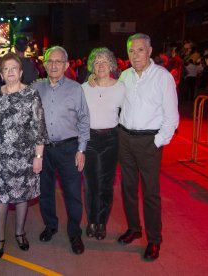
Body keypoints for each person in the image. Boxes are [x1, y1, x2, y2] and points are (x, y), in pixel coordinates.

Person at [117, 33, 179, 261]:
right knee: (128, 188)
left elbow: (172, 118)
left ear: (150, 51)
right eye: (131, 51)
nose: (135, 55)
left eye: (140, 50)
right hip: (125, 138)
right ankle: (134, 228)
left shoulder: (162, 78)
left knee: (151, 194)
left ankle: (154, 240)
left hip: (149, 141)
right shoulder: (124, 76)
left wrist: (156, 142)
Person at [0, 52, 48, 259]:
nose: (10, 72)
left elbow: (39, 127)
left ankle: (20, 232)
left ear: (20, 72)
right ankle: (0, 236)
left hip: (23, 156)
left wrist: (38, 157)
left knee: (22, 197)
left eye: (14, 68)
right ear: (1, 73)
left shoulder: (31, 94)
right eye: (6, 69)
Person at [32, 46, 90, 255]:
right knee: (45, 192)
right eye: (50, 61)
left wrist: (81, 149)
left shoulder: (76, 89)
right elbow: (14, 95)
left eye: (58, 61)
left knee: (73, 195)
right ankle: (51, 226)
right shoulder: (36, 87)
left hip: (69, 149)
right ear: (44, 64)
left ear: (66, 65)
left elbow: (84, 119)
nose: (54, 65)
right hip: (43, 150)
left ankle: (75, 233)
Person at [82, 48, 125, 240]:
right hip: (89, 139)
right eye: (97, 62)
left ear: (111, 65)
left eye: (104, 61)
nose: (100, 65)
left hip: (111, 139)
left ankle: (102, 222)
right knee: (91, 183)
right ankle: (92, 220)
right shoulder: (84, 88)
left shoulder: (121, 87)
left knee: (106, 184)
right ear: (92, 65)